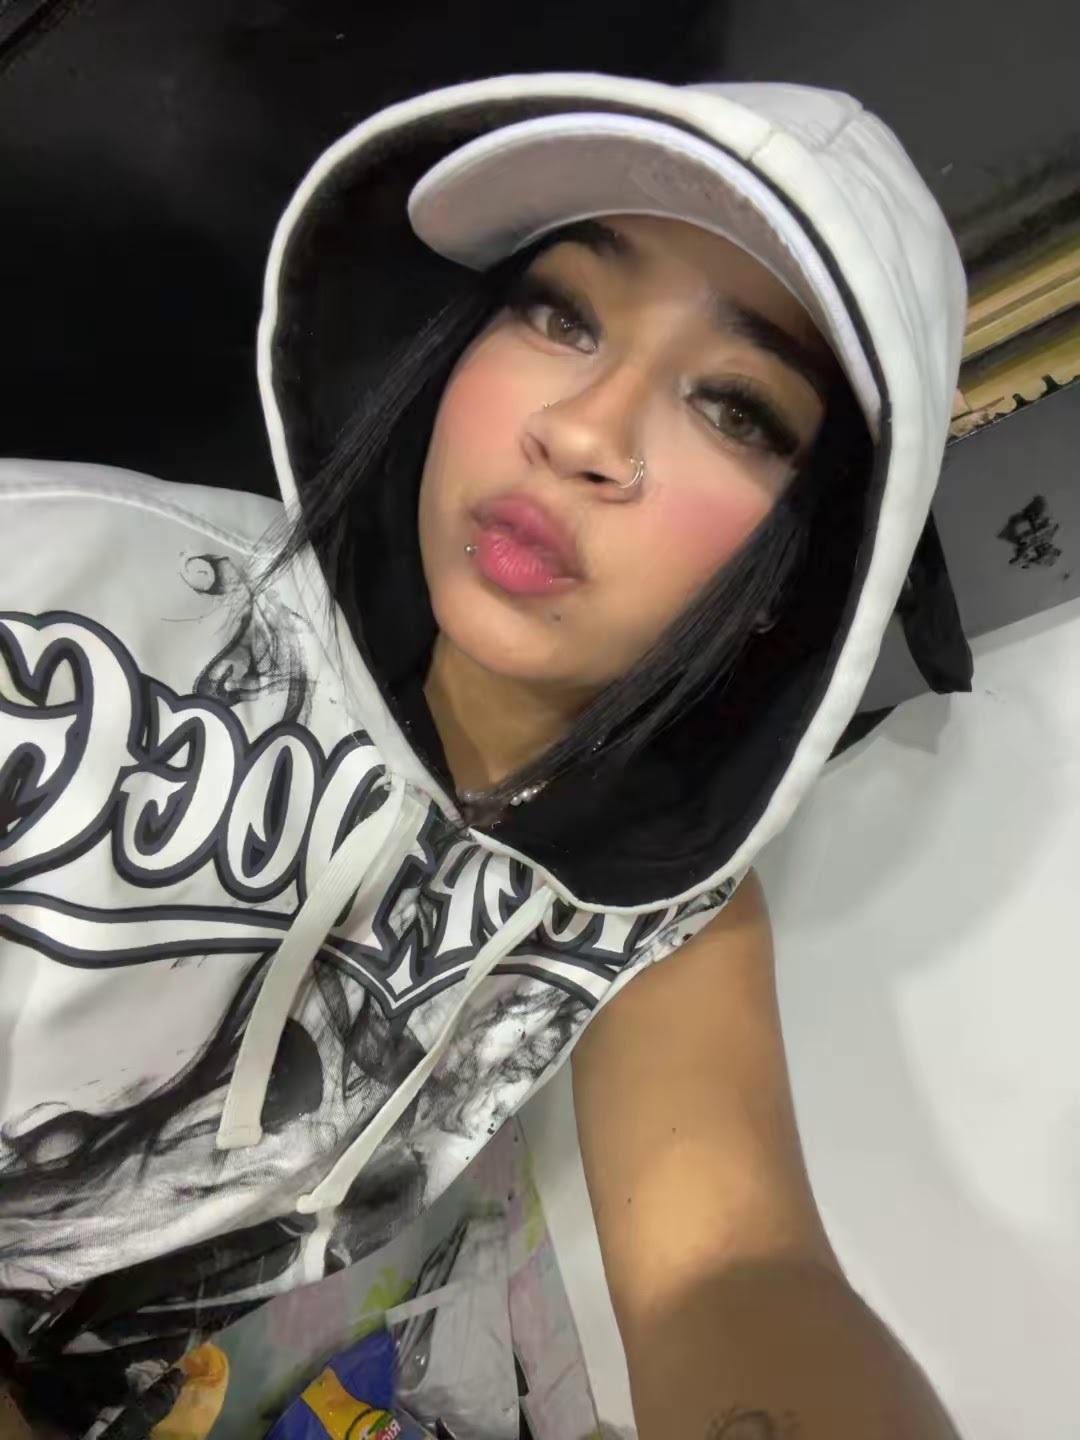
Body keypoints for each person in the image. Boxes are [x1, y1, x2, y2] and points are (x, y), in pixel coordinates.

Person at [0, 72, 966, 1437]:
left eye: (736, 407)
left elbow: (734, 1268)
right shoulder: (52, 606)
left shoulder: (658, 905)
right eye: (561, 313)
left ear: (799, 574)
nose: (583, 431)